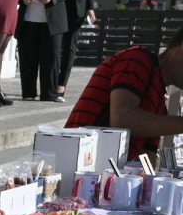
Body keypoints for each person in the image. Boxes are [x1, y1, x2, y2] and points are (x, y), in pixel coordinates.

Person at [64, 28, 183, 161]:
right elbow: (121, 119)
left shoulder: (160, 105)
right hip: (74, 159)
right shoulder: (138, 58)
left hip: (98, 167)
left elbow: (146, 160)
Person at [16, 0, 73, 101]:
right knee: (28, 58)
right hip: (28, 20)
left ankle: (50, 94)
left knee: (51, 58)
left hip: (52, 21)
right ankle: (28, 93)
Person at [55, 0, 95, 99]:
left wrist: (90, 7)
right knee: (55, 45)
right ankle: (51, 83)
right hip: (59, 3)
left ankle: (61, 85)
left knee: (70, 47)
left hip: (77, 6)